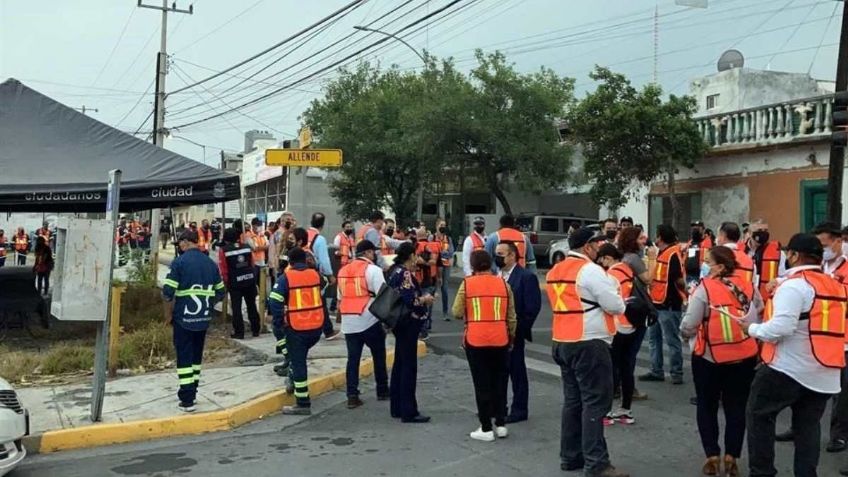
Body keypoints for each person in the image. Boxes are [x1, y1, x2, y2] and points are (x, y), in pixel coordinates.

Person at [741, 233, 846, 477]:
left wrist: (752, 329)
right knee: (808, 427)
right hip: (825, 370)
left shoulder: (796, 286)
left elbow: (781, 328)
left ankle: (762, 471)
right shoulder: (834, 284)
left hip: (788, 367)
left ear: (795, 255)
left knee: (759, 416)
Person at [547, 227, 628, 477]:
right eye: (597, 243)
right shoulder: (590, 270)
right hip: (589, 341)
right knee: (595, 403)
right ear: (587, 247)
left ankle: (570, 457)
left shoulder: (555, 270)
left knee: (573, 402)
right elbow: (615, 305)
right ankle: (597, 463)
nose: (600, 247)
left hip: (562, 339)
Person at [680, 246, 761, 477]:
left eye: (708, 261)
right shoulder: (747, 285)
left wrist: (685, 335)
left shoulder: (705, 288)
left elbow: (689, 324)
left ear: (720, 266)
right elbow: (759, 310)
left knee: (707, 406)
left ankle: (712, 456)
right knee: (737, 407)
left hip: (709, 358)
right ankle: (732, 456)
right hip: (744, 356)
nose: (704, 265)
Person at [452, 250, 517, 441]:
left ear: (473, 266)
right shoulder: (504, 285)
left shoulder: (467, 284)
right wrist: (511, 337)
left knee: (482, 384)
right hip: (501, 339)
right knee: (500, 382)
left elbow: (456, 311)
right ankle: (501, 423)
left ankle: (486, 427)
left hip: (476, 339)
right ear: (490, 264)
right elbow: (512, 316)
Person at [162, 230, 225, 412]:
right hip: (203, 318)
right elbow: (221, 291)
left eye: (180, 243)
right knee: (196, 357)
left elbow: (168, 291)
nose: (179, 247)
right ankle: (194, 391)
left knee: (184, 356)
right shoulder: (210, 264)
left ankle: (187, 399)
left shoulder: (179, 263)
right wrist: (208, 302)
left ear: (186, 242)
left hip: (183, 318)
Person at [269, 247, 325, 416]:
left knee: (299, 363)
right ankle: (292, 380)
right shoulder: (315, 275)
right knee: (296, 358)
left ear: (291, 262)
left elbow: (275, 300)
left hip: (297, 327)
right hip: (316, 326)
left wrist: (279, 322)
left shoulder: (286, 278)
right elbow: (322, 286)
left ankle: (302, 402)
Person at [597, 243, 645, 427]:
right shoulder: (627, 269)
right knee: (627, 368)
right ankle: (626, 410)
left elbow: (609, 302)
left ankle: (607, 411)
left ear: (608, 258)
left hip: (618, 324)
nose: (602, 263)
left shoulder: (612, 274)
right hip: (633, 324)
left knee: (611, 369)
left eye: (603, 259)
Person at [494, 240, 541, 424]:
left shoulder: (525, 277)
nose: (497, 257)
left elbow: (532, 308)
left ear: (512, 255)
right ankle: (499, 407)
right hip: (497, 332)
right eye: (496, 253)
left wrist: (518, 331)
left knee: (517, 372)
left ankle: (519, 409)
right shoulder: (497, 275)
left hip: (515, 332)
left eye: (501, 254)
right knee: (498, 372)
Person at [338, 240, 389, 409]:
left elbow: (340, 297)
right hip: (369, 320)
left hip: (348, 322)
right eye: (373, 252)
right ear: (367, 253)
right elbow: (383, 295)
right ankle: (382, 390)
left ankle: (352, 395)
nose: (374, 255)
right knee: (378, 355)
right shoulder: (373, 270)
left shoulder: (343, 271)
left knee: (353, 359)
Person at [387, 242, 434, 423]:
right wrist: (424, 299)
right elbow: (409, 299)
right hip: (408, 323)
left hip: (399, 323)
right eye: (415, 255)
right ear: (410, 256)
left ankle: (397, 406)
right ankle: (409, 410)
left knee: (399, 364)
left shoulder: (394, 271)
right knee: (408, 366)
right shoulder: (405, 274)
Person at [812, 222, 848, 454]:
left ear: (838, 241)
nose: (822, 249)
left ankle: (839, 435)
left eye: (825, 245)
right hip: (816, 336)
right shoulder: (818, 266)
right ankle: (800, 428)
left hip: (843, 337)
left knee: (842, 392)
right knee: (809, 388)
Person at [640, 224, 686, 385]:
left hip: (669, 304)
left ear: (660, 237)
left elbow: (678, 279)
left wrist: (686, 292)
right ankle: (656, 370)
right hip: (657, 302)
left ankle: (676, 372)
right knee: (654, 338)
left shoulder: (672, 254)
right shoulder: (662, 253)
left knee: (671, 339)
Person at [618, 226, 655, 402]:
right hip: (636, 309)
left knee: (623, 353)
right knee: (630, 354)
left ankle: (620, 385)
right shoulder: (633, 258)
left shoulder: (625, 258)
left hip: (627, 308)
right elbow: (648, 278)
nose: (644, 241)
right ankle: (628, 387)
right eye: (640, 238)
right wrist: (654, 258)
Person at [305, 213, 342, 341]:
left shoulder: (304, 234)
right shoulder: (319, 239)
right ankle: (328, 330)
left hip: (301, 272)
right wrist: (330, 275)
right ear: (322, 224)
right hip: (315, 274)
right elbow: (324, 260)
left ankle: (316, 328)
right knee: (320, 301)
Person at [218, 228, 260, 339]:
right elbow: (252, 264)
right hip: (249, 280)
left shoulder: (224, 250)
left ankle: (239, 332)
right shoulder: (246, 247)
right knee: (251, 305)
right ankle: (256, 330)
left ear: (226, 239)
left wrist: (226, 283)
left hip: (235, 283)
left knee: (236, 308)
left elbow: (224, 269)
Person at [748, 219, 785, 300]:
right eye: (759, 230)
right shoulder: (740, 251)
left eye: (765, 230)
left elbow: (783, 277)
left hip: (767, 297)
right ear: (750, 233)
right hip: (745, 298)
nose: (763, 233)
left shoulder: (778, 253)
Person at [414, 228, 441, 340]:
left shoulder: (416, 247)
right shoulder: (431, 246)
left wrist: (422, 262)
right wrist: (439, 278)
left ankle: (423, 330)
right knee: (427, 304)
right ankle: (426, 327)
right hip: (429, 279)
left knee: (420, 304)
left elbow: (433, 262)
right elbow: (436, 263)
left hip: (420, 279)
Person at [434, 218, 455, 320]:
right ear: (436, 226)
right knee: (432, 288)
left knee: (445, 289)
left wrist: (447, 256)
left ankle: (445, 312)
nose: (443, 227)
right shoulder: (432, 238)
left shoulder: (448, 239)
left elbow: (450, 252)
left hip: (446, 266)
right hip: (434, 266)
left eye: (444, 225)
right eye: (441, 225)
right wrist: (443, 254)